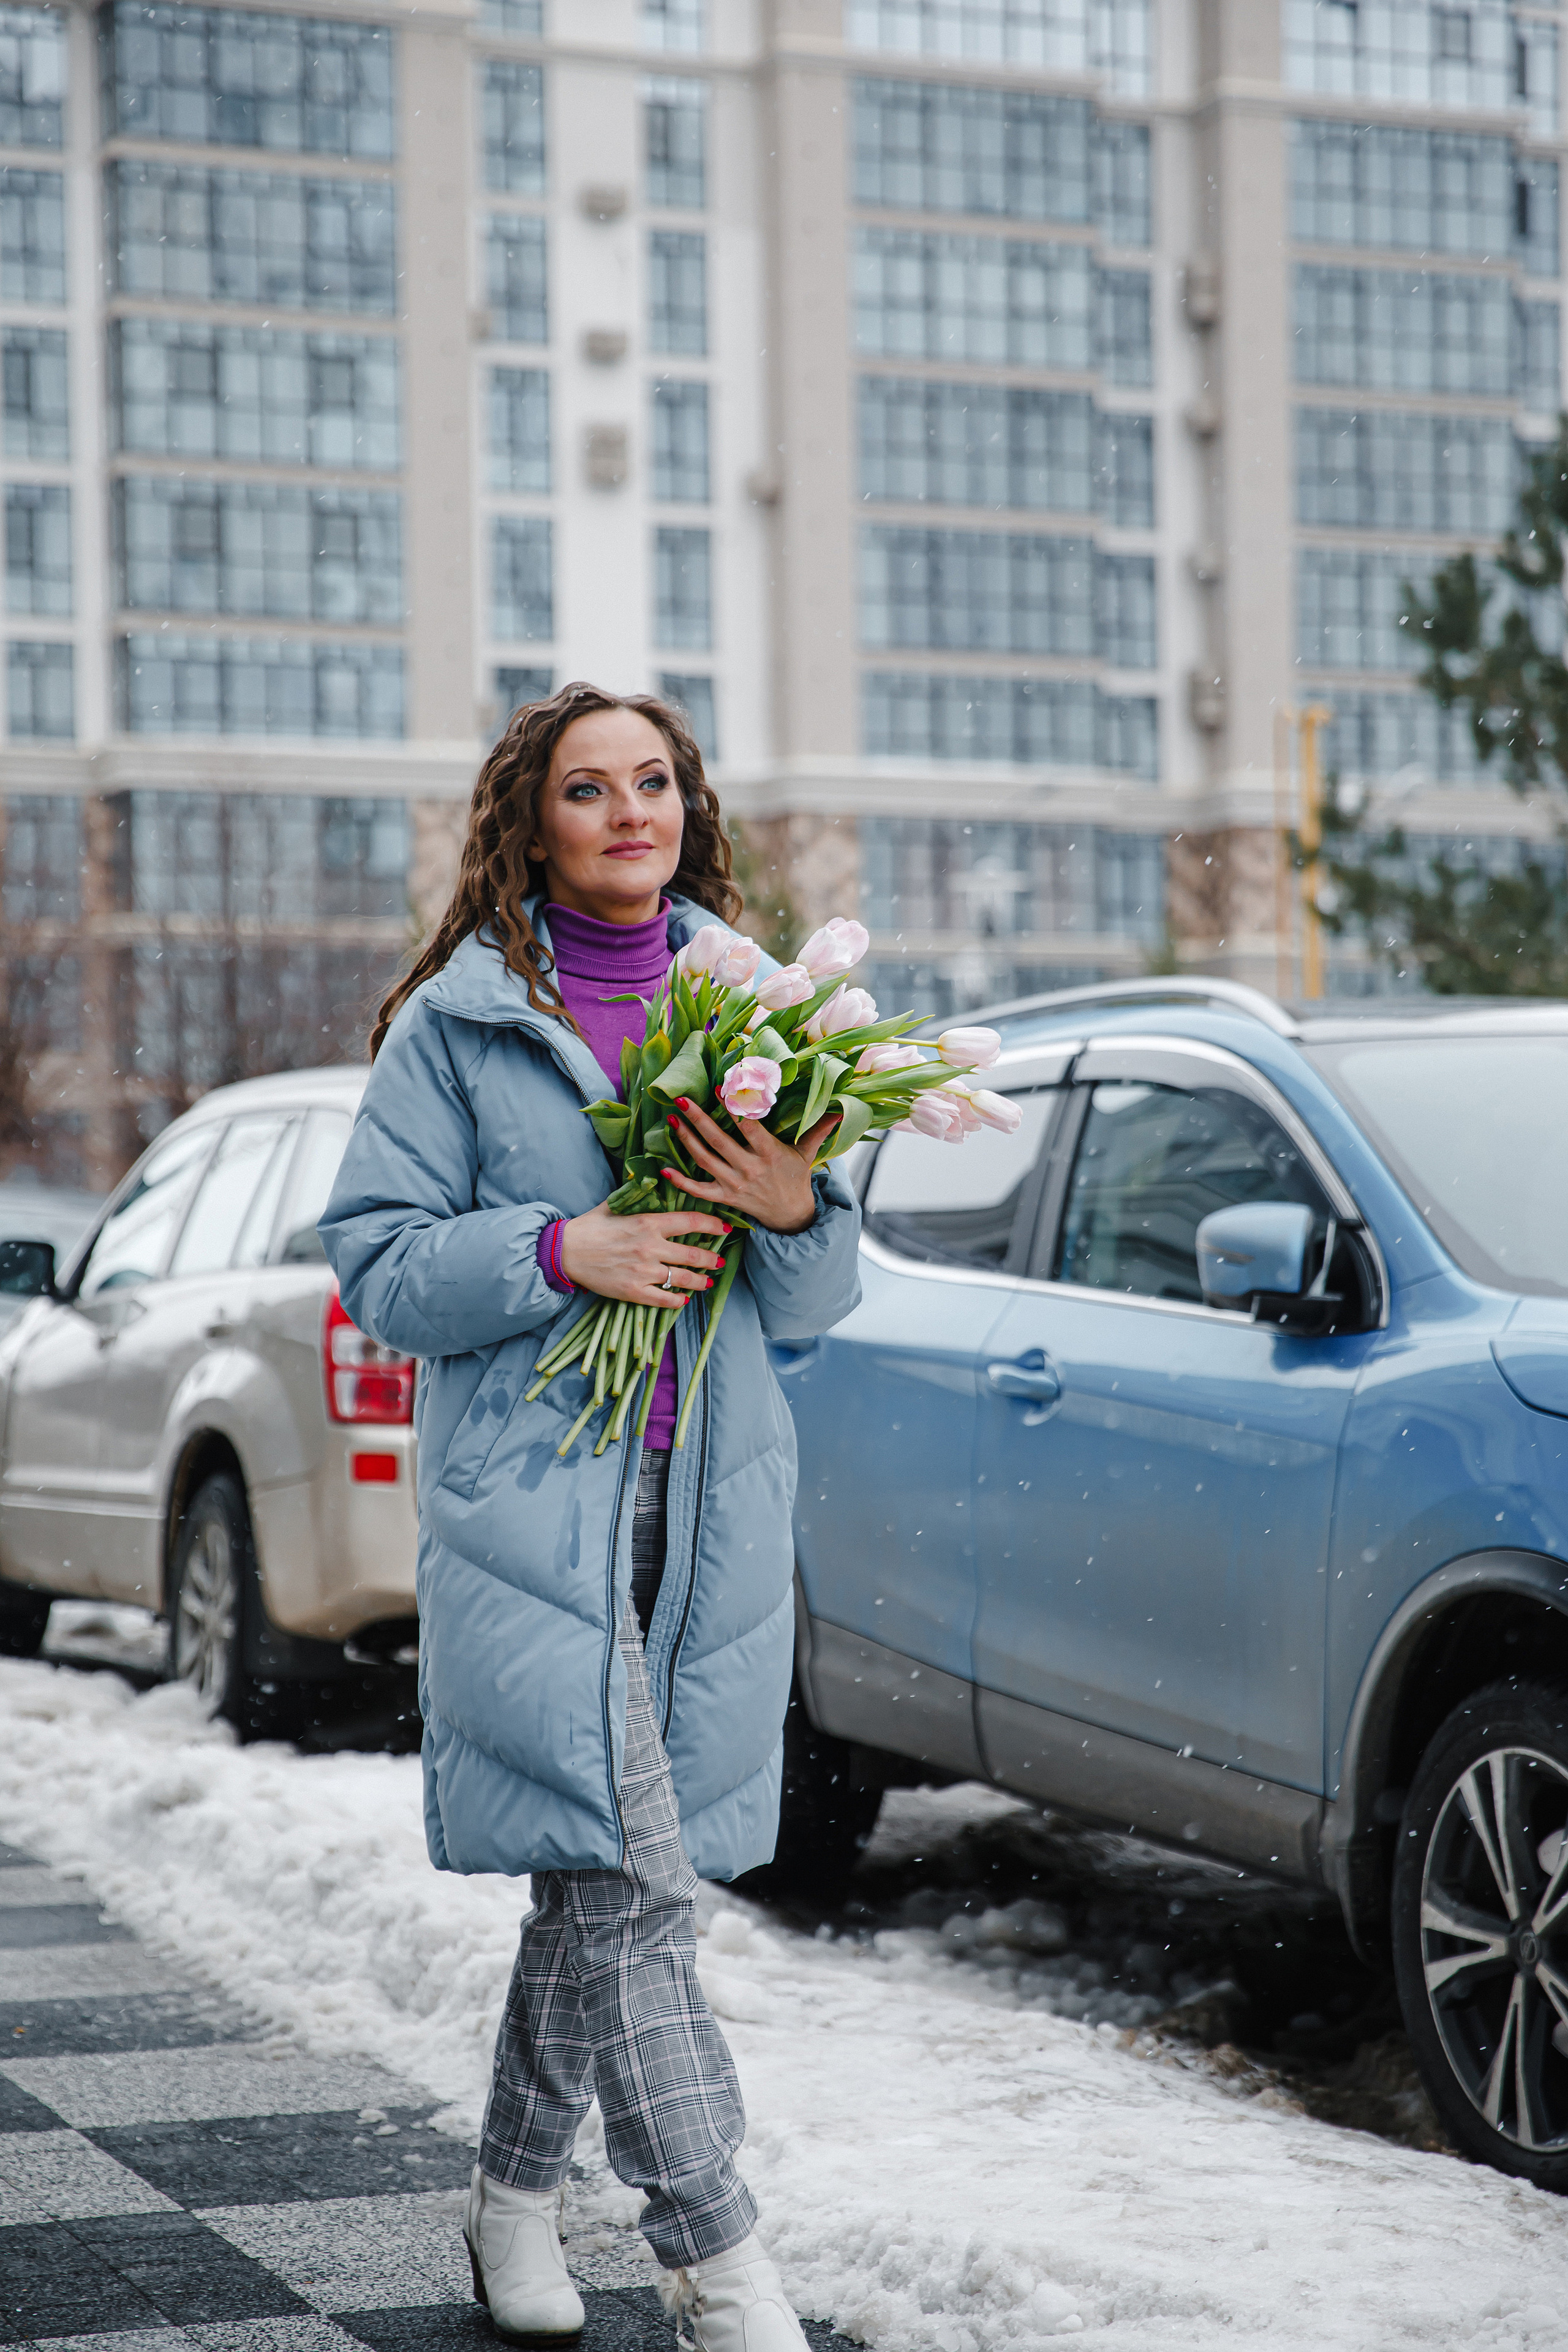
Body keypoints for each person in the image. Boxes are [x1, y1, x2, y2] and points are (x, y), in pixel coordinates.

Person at [319, 681, 862, 2352]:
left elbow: (820, 1294)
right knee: (646, 1893)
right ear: (530, 822)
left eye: (654, 784)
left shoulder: (763, 1013)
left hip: (708, 1518)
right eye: (587, 789)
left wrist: (793, 1203)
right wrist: (567, 1252)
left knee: (601, 1892)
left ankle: (506, 2203)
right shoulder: (464, 1026)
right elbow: (377, 1264)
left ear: (689, 808)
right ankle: (718, 2258)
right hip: (536, 1517)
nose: (630, 812)